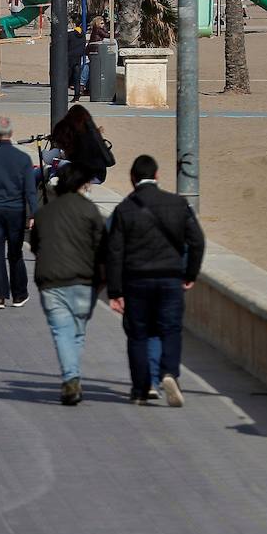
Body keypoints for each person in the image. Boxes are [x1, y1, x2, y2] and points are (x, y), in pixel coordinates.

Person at [105, 155, 206, 406]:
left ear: (132, 179)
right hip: (170, 278)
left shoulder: (124, 209)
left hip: (136, 280)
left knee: (139, 334)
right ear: (158, 175)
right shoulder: (177, 204)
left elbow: (114, 252)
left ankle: (142, 387)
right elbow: (197, 241)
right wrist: (190, 274)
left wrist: (115, 290)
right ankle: (169, 372)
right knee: (170, 328)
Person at [29, 165, 105, 405]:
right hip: (84, 281)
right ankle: (72, 376)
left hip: (51, 281)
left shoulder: (44, 213)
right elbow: (102, 247)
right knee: (78, 331)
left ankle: (71, 377)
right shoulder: (90, 210)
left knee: (61, 331)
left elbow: (34, 245)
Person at [0, 117, 37, 308]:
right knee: (15, 252)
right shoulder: (23, 159)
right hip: (15, 211)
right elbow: (30, 190)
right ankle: (19, 294)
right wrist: (33, 213)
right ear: (11, 134)